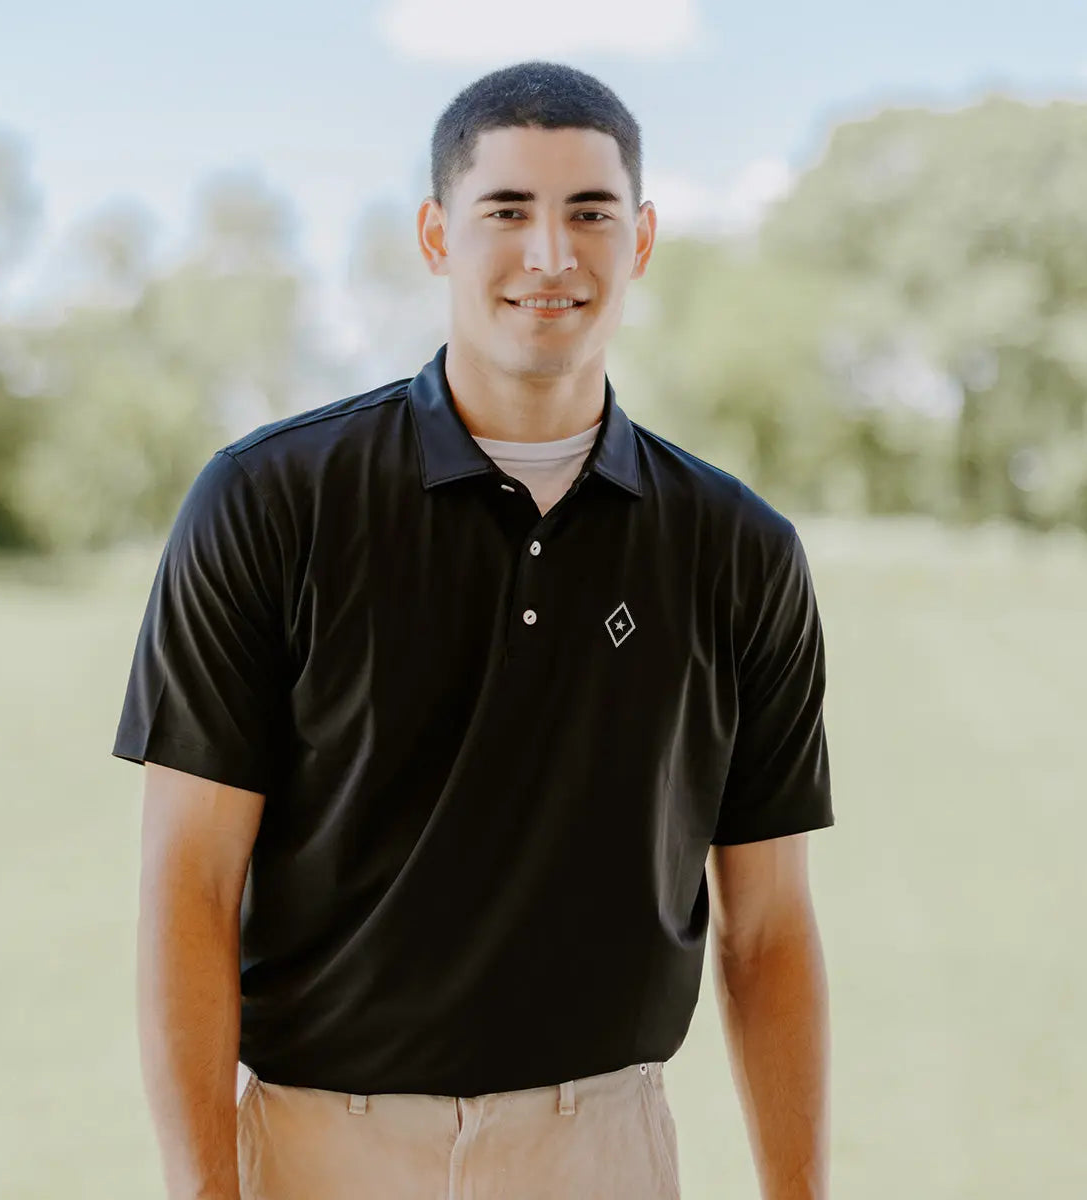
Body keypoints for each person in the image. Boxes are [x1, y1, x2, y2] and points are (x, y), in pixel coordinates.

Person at [112, 59, 835, 1200]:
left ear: (641, 240)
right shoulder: (268, 501)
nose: (550, 254)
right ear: (436, 235)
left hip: (602, 1153)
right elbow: (188, 888)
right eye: (506, 210)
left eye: (590, 212)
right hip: (317, 1150)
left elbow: (772, 928)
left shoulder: (739, 548)